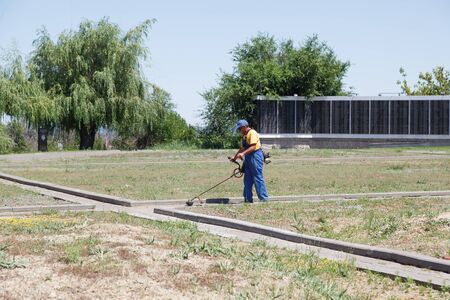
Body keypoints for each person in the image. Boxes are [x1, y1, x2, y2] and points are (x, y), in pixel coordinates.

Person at [231, 119, 269, 203]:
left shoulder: (252, 133)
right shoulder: (245, 135)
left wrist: (243, 154)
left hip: (255, 156)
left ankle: (264, 199)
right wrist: (235, 157)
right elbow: (242, 148)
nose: (239, 131)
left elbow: (253, 147)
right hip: (248, 157)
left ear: (244, 127)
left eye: (239, 129)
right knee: (247, 179)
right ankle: (248, 199)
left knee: (257, 177)